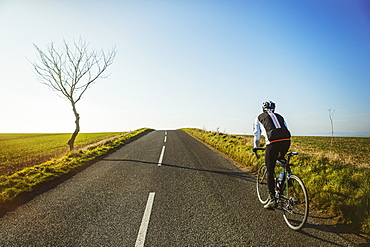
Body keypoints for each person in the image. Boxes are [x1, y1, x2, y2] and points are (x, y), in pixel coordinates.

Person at [253, 100, 291, 209]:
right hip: (286, 141)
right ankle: (284, 179)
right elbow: (286, 129)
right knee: (281, 159)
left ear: (263, 108)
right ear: (274, 108)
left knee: (270, 169)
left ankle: (272, 199)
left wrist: (256, 146)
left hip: (272, 143)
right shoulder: (280, 116)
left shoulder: (259, 117)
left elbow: (257, 135)